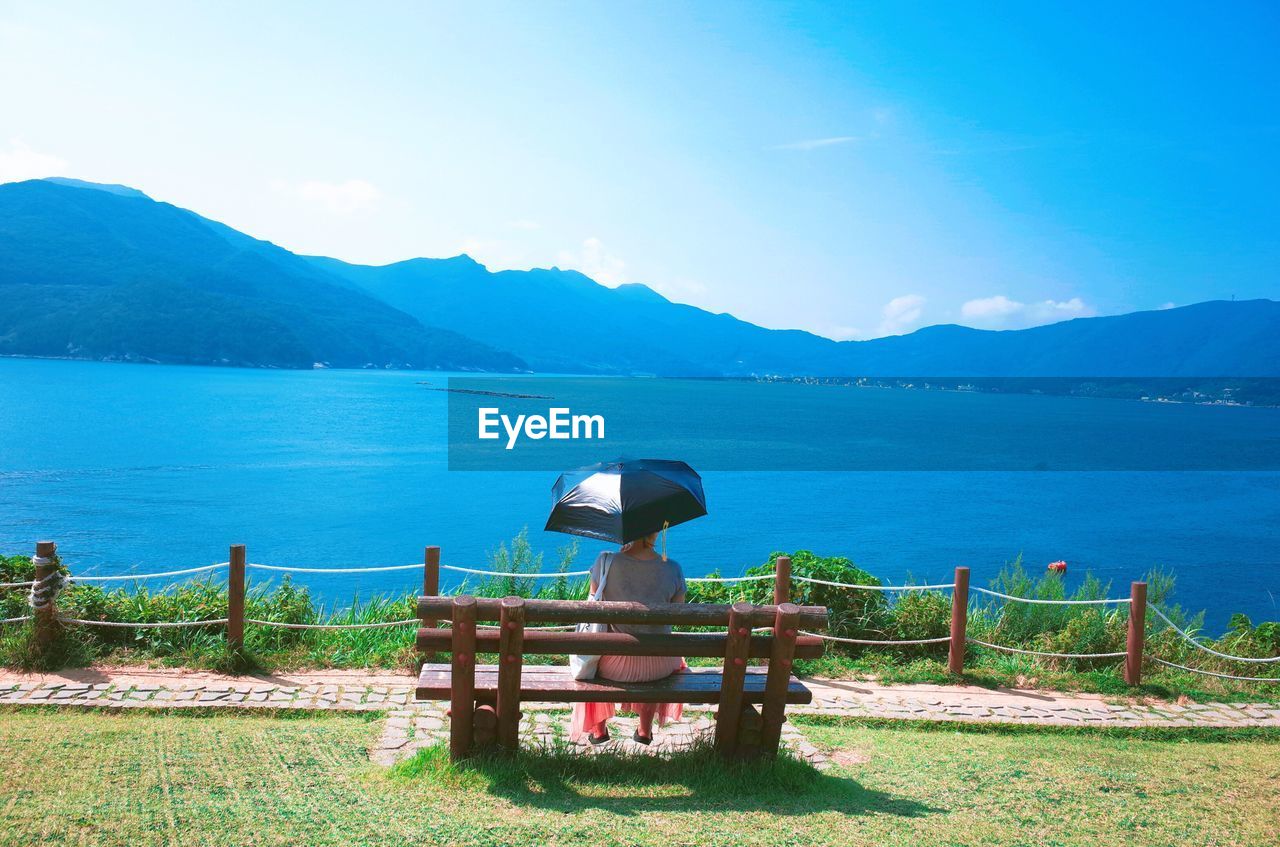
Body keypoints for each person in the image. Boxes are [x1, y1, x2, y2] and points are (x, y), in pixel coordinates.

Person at [569, 531, 687, 745]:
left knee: (593, 661)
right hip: (659, 666)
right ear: (655, 532)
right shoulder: (673, 568)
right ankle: (644, 731)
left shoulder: (605, 562)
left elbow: (593, 606)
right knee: (664, 655)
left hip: (615, 666)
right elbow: (678, 610)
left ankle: (598, 731)